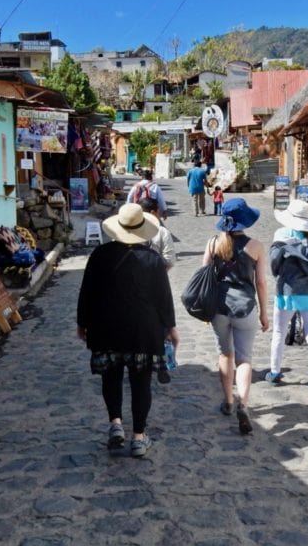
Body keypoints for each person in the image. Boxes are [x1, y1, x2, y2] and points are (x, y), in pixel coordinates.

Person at [77, 203, 179, 458]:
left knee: (110, 377)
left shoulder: (100, 255)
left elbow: (87, 292)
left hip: (106, 327)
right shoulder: (153, 259)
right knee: (141, 381)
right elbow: (163, 298)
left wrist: (82, 322)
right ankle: (138, 437)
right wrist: (170, 327)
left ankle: (115, 425)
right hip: (143, 330)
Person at [202, 198, 269, 434]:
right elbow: (260, 282)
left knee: (225, 353)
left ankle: (228, 401)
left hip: (219, 308)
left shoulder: (213, 244)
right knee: (244, 358)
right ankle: (243, 404)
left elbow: (205, 277)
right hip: (246, 307)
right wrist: (264, 314)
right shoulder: (256, 246)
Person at [265, 199, 308, 398]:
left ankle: (275, 372)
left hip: (287, 293)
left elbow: (274, 266)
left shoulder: (282, 239)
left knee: (278, 331)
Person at [141, 196, 176, 385]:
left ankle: (137, 361)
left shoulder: (126, 233)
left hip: (133, 287)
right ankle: (162, 364)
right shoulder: (162, 232)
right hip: (158, 286)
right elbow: (169, 260)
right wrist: (158, 273)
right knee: (161, 325)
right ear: (154, 212)